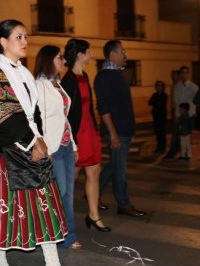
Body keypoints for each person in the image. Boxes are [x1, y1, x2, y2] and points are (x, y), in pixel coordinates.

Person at [0, 19, 80, 266]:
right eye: (18, 37)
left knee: (45, 208)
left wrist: (40, 139)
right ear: (3, 42)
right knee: (2, 212)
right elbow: (3, 116)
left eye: (25, 36)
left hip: (31, 146)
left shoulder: (25, 73)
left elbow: (34, 113)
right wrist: (34, 144)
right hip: (4, 152)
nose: (24, 41)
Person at [34, 45, 81, 250]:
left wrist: (74, 144)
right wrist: (45, 147)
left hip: (66, 145)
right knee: (59, 192)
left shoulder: (57, 84)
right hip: (53, 148)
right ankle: (54, 234)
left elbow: (64, 117)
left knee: (68, 193)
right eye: (59, 57)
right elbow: (38, 120)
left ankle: (68, 236)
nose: (63, 60)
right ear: (49, 60)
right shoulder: (39, 85)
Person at [61, 38, 110, 231]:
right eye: (89, 52)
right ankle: (64, 218)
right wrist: (70, 140)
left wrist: (95, 130)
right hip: (76, 134)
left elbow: (88, 107)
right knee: (71, 178)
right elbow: (66, 113)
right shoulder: (68, 80)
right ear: (80, 55)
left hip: (89, 130)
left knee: (94, 173)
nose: (92, 55)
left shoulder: (86, 76)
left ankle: (94, 215)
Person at [95, 39, 146, 218]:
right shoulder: (104, 76)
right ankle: (124, 204)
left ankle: (93, 193)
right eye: (122, 52)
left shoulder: (117, 75)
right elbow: (104, 108)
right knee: (120, 171)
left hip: (124, 131)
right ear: (113, 54)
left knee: (115, 166)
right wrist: (114, 134)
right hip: (117, 132)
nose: (125, 55)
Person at [165, 66, 198, 159]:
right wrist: (176, 114)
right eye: (182, 72)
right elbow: (176, 101)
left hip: (189, 115)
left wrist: (193, 113)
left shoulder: (193, 86)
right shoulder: (177, 86)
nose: (183, 74)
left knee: (188, 135)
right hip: (180, 114)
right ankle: (182, 153)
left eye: (185, 72)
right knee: (180, 135)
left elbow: (196, 101)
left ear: (188, 73)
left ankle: (189, 153)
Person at [148, 80, 168, 154]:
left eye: (159, 86)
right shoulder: (155, 94)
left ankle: (163, 147)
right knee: (157, 132)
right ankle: (158, 147)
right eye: (157, 86)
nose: (158, 87)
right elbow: (149, 102)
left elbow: (161, 104)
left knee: (162, 132)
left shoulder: (164, 95)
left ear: (162, 87)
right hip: (156, 116)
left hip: (162, 116)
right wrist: (156, 102)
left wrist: (155, 102)